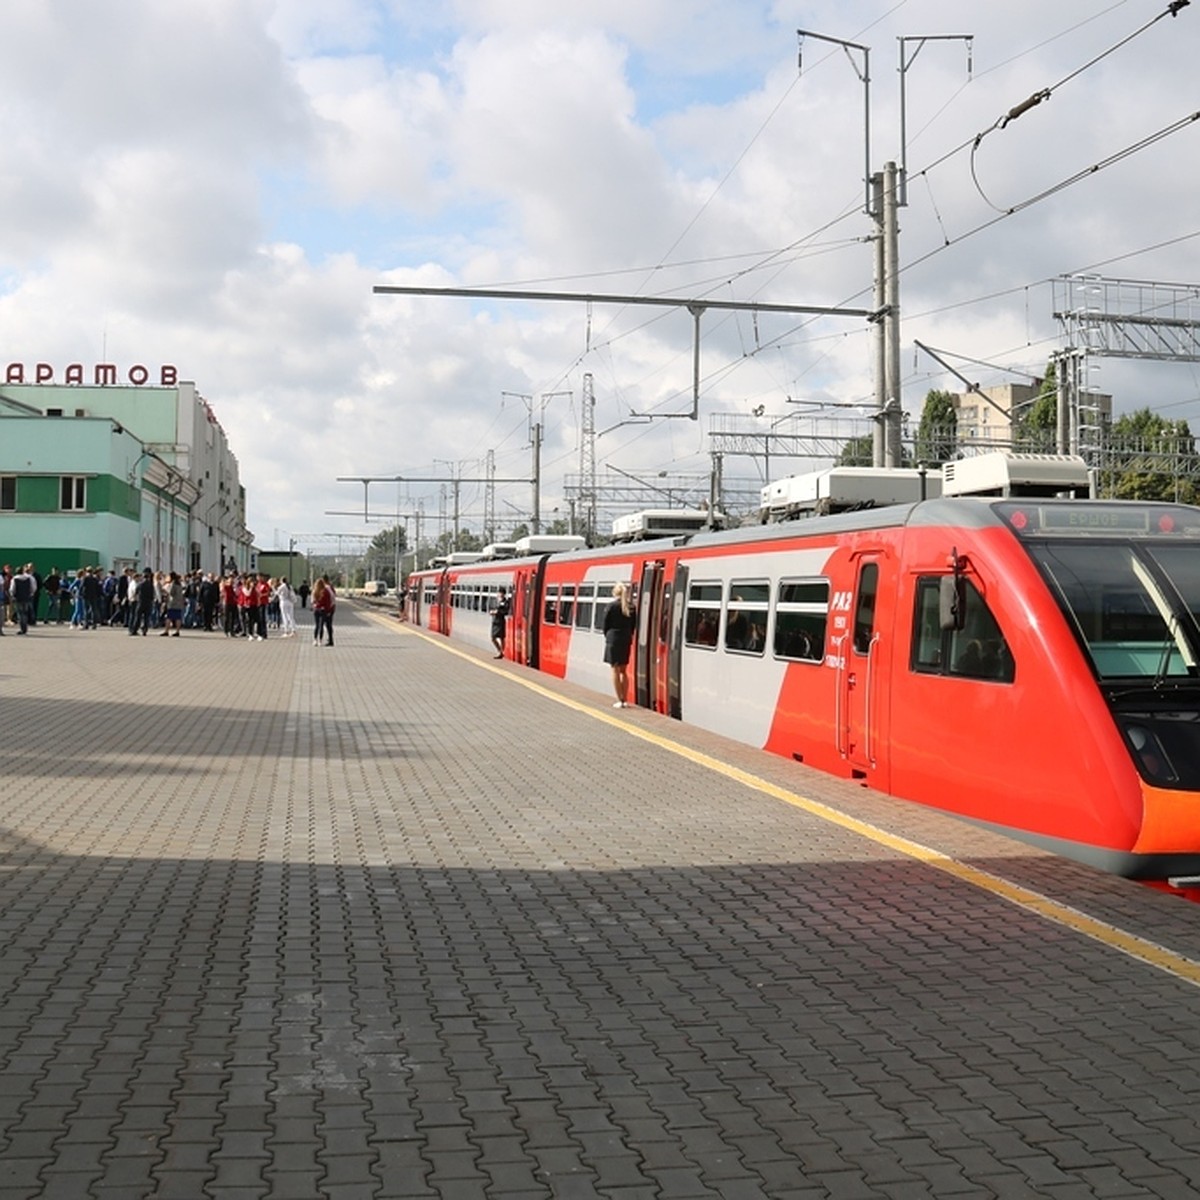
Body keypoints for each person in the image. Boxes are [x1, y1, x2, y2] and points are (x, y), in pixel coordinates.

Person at [602, 582, 636, 708]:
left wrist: (608, 635)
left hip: (613, 639)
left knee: (614, 670)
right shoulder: (631, 607)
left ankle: (619, 700)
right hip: (626, 639)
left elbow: (605, 625)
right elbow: (633, 626)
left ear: (615, 593)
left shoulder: (611, 606)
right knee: (623, 671)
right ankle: (625, 699)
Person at [311, 575, 336, 645]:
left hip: (316, 610)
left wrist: (314, 606)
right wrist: (329, 610)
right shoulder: (326, 591)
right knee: (321, 625)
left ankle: (315, 640)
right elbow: (329, 601)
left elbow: (312, 601)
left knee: (316, 625)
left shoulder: (314, 591)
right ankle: (320, 640)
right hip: (323, 610)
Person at [490, 588, 511, 658]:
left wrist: (498, 612)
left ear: (504, 594)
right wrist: (491, 612)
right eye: (499, 593)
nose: (499, 594)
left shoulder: (506, 602)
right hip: (494, 621)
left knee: (502, 638)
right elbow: (490, 607)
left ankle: (501, 652)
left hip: (501, 621)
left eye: (501, 593)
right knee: (493, 638)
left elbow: (506, 611)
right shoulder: (495, 601)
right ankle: (499, 650)